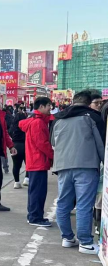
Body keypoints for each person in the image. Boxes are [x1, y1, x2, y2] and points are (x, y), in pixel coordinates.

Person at [51, 90, 105, 255]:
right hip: (86, 166)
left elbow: (53, 142)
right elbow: (101, 144)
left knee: (63, 203)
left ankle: (67, 238)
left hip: (63, 167)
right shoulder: (92, 117)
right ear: (89, 103)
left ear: (73, 102)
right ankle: (85, 242)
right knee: (84, 205)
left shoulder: (58, 119)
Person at [19, 97, 54, 228]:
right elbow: (42, 143)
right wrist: (53, 155)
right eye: (48, 106)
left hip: (36, 161)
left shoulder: (36, 120)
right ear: (41, 107)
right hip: (38, 162)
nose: (50, 108)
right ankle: (35, 217)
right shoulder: (38, 123)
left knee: (36, 191)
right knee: (38, 192)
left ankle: (34, 215)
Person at [11, 106, 29, 189]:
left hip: (16, 145)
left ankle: (16, 182)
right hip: (26, 145)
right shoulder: (26, 126)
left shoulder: (13, 127)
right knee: (28, 164)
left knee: (16, 165)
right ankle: (26, 179)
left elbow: (9, 133)